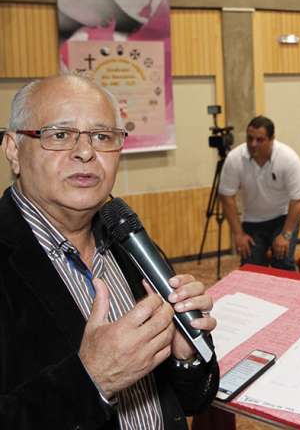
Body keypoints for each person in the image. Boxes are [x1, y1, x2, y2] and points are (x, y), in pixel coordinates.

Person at [0, 75, 219, 429]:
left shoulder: (128, 239)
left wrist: (185, 356)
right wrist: (92, 380)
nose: (86, 153)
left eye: (102, 137)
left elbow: (190, 400)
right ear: (13, 149)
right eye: (60, 135)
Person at [219, 116, 300, 270]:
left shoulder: (288, 159)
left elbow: (298, 200)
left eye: (260, 140)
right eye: (250, 138)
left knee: (283, 262)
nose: (253, 144)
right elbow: (226, 197)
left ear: (272, 139)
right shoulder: (235, 159)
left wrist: (286, 235)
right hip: (253, 221)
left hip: (282, 217)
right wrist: (238, 234)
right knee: (251, 266)